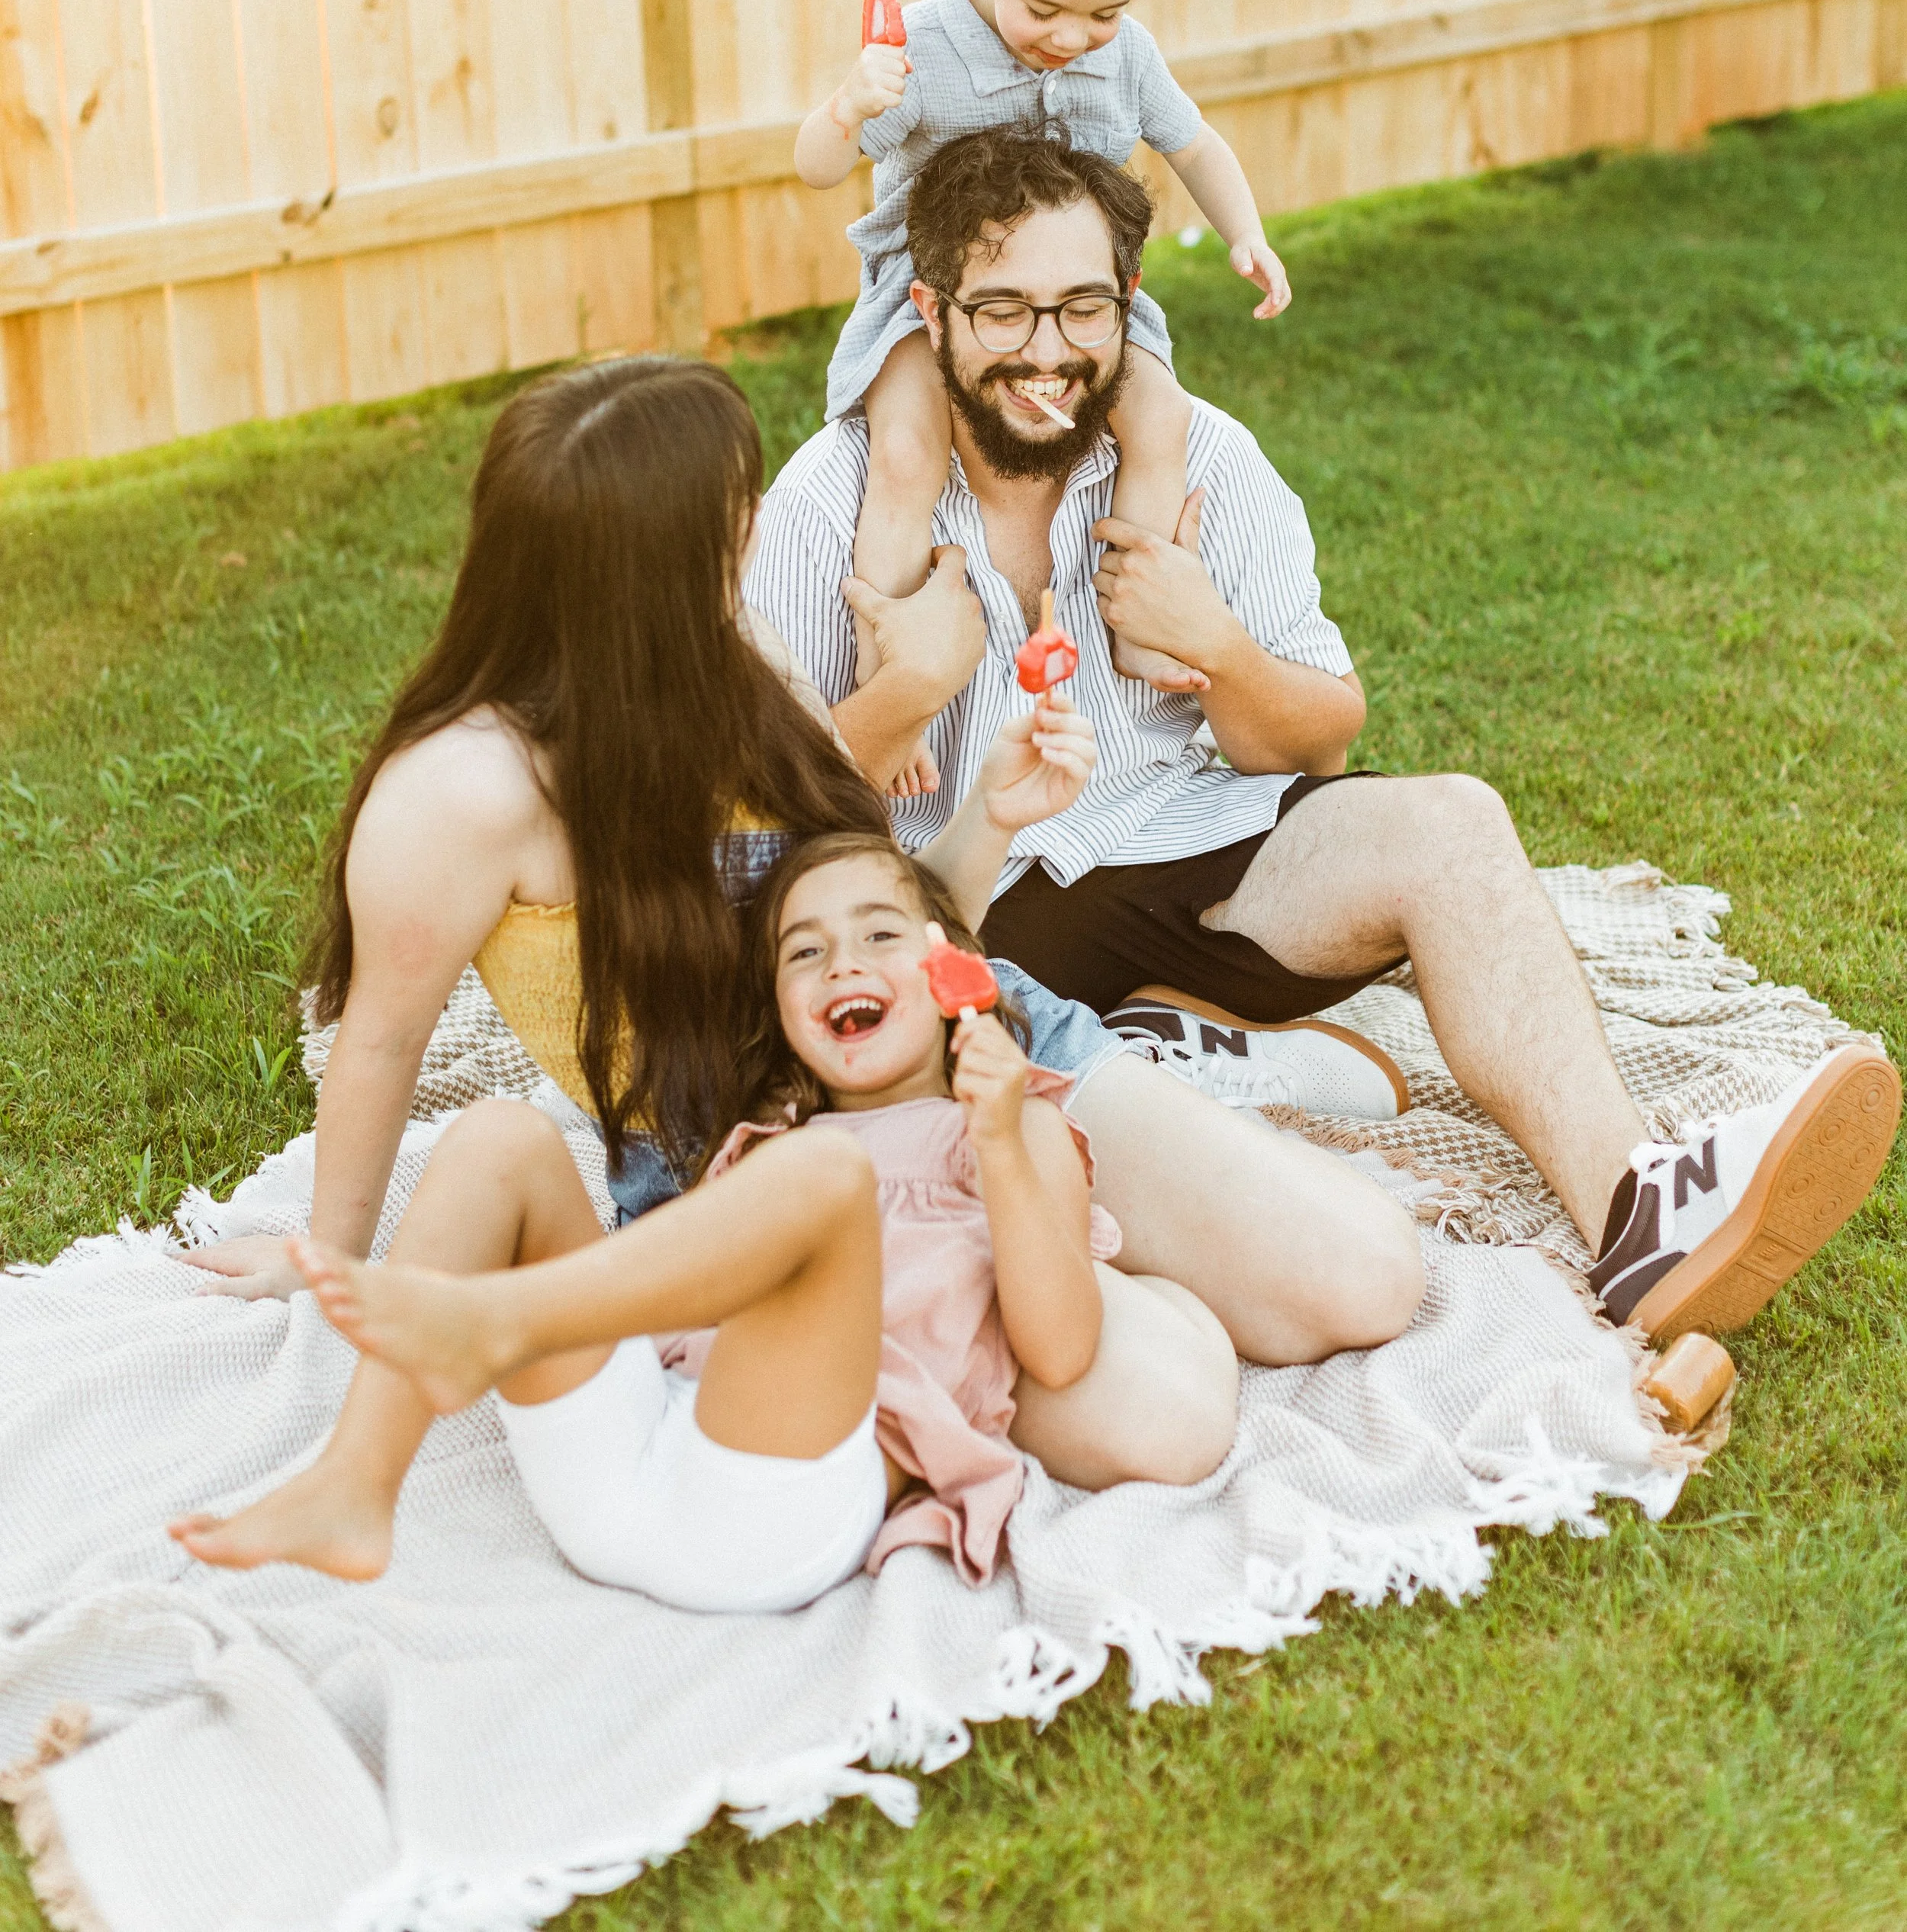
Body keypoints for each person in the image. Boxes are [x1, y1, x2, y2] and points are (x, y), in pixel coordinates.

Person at [744, 127, 1902, 1349]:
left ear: (1129, 299)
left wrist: (1220, 648)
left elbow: (1320, 743)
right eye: (1003, 312)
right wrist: (913, 686)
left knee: (1450, 823)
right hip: (968, 925)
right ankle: (1162, 1052)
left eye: (1083, 307)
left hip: (1186, 859)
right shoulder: (829, 504)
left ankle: (1636, 1209)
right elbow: (766, 827)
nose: (1048, 351)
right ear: (930, 311)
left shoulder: (1207, 458)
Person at [178, 355, 1252, 1479]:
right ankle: (1088, 1269)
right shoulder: (460, 793)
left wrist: (990, 806)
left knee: (1348, 1283)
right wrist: (328, 1253)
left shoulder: (743, 657)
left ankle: (1106, 1238)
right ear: (645, 561)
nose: (758, 521)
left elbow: (889, 923)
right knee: (1164, 1422)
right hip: (759, 1172)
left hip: (962, 1068)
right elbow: (381, 1036)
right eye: (733, 507)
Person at [170, 835, 1238, 1602]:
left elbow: (1060, 1346)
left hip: (775, 1499)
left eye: (879, 934)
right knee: (502, 1135)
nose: (843, 962)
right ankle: (358, 1480)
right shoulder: (770, 1143)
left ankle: (497, 1320)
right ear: (778, 1009)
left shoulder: (1012, 1129)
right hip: (626, 1448)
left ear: (955, 974)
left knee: (827, 1179)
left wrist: (999, 1138)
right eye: (804, 952)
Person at [792, 0, 1292, 702]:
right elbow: (816, 167)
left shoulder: (1126, 57)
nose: (1070, 37)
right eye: (1045, 9)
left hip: (1076, 297)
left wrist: (1244, 232)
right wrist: (848, 105)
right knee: (903, 454)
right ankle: (887, 665)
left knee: (1160, 418)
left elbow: (1193, 143)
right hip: (931, 304)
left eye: (1103, 12)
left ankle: (1138, 624)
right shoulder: (921, 48)